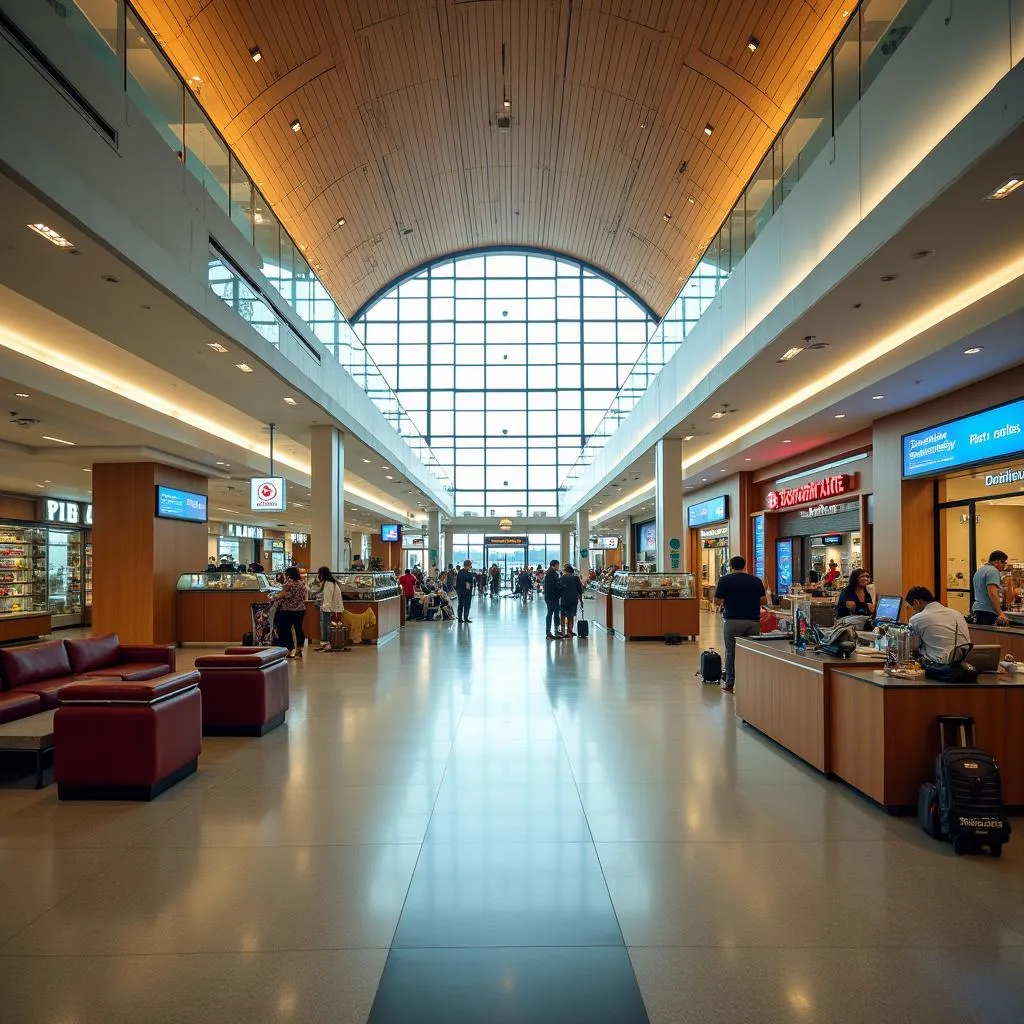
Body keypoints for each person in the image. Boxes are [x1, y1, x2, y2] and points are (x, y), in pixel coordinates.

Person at [713, 555, 768, 693]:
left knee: (731, 652)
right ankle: (751, 682)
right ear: (745, 565)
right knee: (751, 652)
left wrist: (727, 601)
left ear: (731, 566)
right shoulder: (755, 580)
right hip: (752, 622)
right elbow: (764, 601)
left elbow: (716, 602)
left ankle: (730, 684)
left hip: (732, 621)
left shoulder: (724, 580)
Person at [906, 586, 972, 665]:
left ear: (916, 602)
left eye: (913, 607)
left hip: (938, 665)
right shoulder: (956, 613)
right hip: (963, 663)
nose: (913, 610)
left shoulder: (917, 618)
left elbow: (912, 647)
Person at [276, 566, 308, 658]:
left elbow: (284, 595)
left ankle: (290, 649)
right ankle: (299, 649)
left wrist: (277, 596)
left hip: (288, 610)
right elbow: (303, 596)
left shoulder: (289, 584)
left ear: (289, 575)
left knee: (285, 629)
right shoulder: (302, 584)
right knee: (299, 629)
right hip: (300, 610)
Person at [972, 550, 1010, 626]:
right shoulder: (993, 571)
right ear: (998, 561)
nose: (1004, 565)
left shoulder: (980, 570)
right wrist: (1000, 613)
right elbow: (992, 593)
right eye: (1004, 562)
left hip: (977, 610)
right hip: (988, 612)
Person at [315, 566, 345, 651]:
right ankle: (326, 643)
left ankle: (326, 643)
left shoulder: (329, 584)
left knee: (326, 626)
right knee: (326, 625)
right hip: (330, 608)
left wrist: (324, 608)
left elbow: (328, 598)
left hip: (328, 608)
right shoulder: (331, 582)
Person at [559, 564, 584, 638]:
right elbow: (579, 590)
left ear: (566, 571)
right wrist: (581, 600)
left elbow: (559, 588)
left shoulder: (562, 578)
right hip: (573, 600)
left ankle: (563, 632)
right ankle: (569, 632)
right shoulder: (576, 578)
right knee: (571, 616)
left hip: (564, 599)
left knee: (563, 616)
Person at [543, 559, 562, 639]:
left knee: (551, 614)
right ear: (553, 565)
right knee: (553, 614)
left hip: (550, 597)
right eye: (558, 565)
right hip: (552, 597)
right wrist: (561, 585)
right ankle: (552, 632)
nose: (558, 566)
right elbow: (554, 586)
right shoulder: (552, 574)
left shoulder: (549, 573)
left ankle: (552, 631)